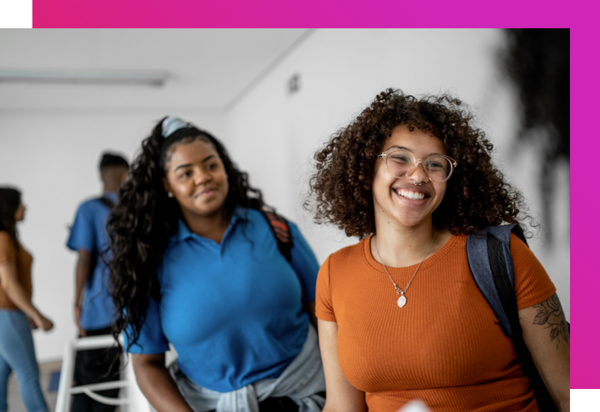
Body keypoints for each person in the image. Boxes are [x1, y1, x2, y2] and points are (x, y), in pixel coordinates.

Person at [308, 89, 570, 412]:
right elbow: (340, 407)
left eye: (435, 164)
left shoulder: (501, 255)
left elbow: (575, 393)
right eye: (400, 157)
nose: (418, 175)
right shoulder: (334, 275)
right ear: (367, 168)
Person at [105, 117, 325, 412]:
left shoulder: (275, 229)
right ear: (166, 185)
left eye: (211, 165)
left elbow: (324, 316)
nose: (203, 177)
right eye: (185, 173)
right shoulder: (146, 262)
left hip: (309, 393)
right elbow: (147, 364)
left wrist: (342, 398)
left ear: (225, 168)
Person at [66, 153, 129, 411]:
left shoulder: (88, 209)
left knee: (87, 380)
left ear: (102, 176)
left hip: (99, 309)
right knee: (113, 382)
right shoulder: (138, 208)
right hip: (133, 309)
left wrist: (76, 302)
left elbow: (84, 259)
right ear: (125, 174)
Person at [0, 187, 53, 412]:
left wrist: (28, 312)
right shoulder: (2, 238)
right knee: (29, 374)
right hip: (8, 314)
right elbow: (10, 286)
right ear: (8, 208)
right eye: (20, 203)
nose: (25, 207)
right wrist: (36, 315)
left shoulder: (8, 237)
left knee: (2, 375)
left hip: (10, 314)